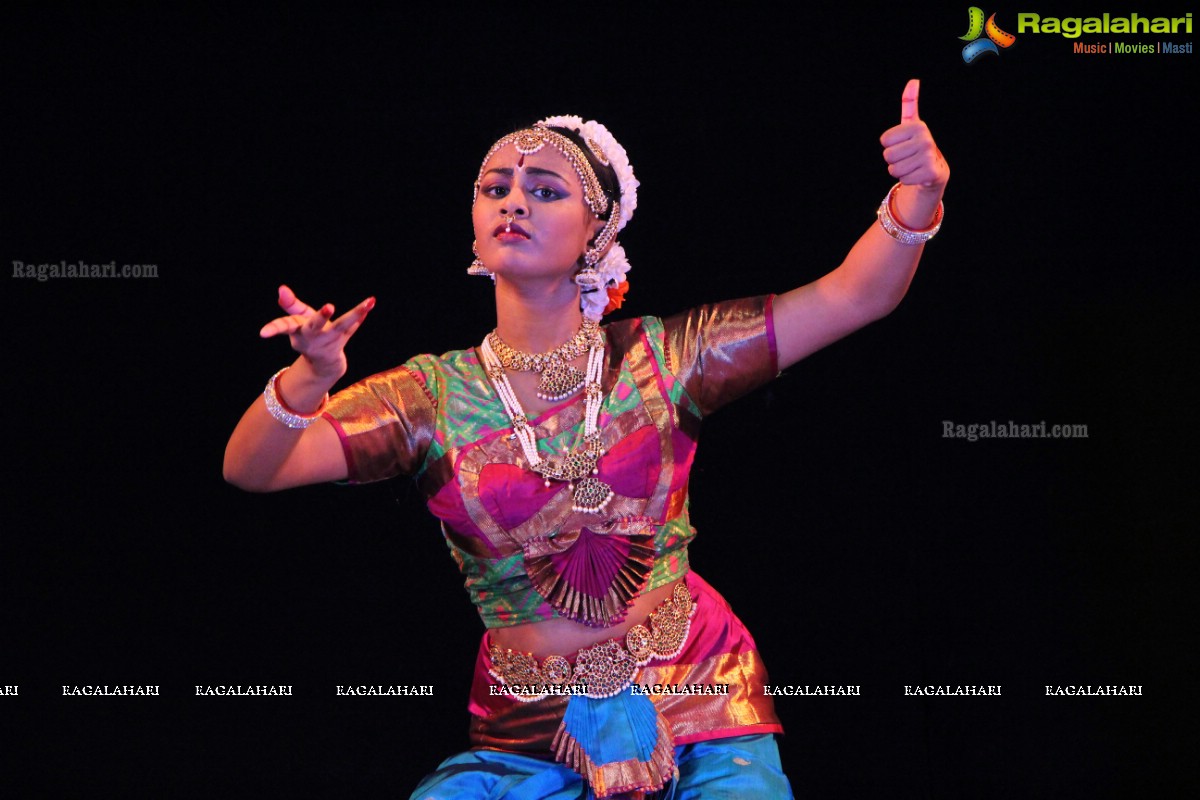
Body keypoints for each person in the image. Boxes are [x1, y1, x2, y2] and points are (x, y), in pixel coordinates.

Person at [224, 81, 949, 799]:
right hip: (529, 728)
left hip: (696, 692)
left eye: (545, 190)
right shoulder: (429, 399)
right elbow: (253, 469)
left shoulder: (665, 359)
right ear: (474, 222)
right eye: (494, 187)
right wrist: (308, 380)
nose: (513, 200)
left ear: (598, 229)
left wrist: (916, 197)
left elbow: (856, 294)